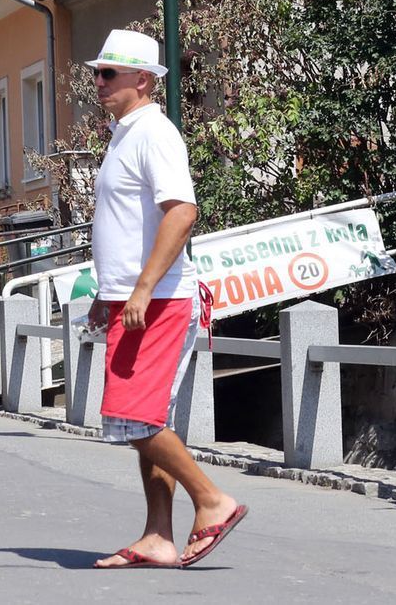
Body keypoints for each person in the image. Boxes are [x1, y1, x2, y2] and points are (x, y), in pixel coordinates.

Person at [82, 28, 246, 570]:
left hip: (161, 301)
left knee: (131, 416)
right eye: (97, 72)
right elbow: (123, 225)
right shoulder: (123, 134)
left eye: (109, 73)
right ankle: (158, 536)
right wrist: (108, 294)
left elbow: (182, 211)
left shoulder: (155, 133)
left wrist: (144, 287)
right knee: (143, 420)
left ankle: (212, 500)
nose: (98, 81)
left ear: (143, 80)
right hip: (132, 299)